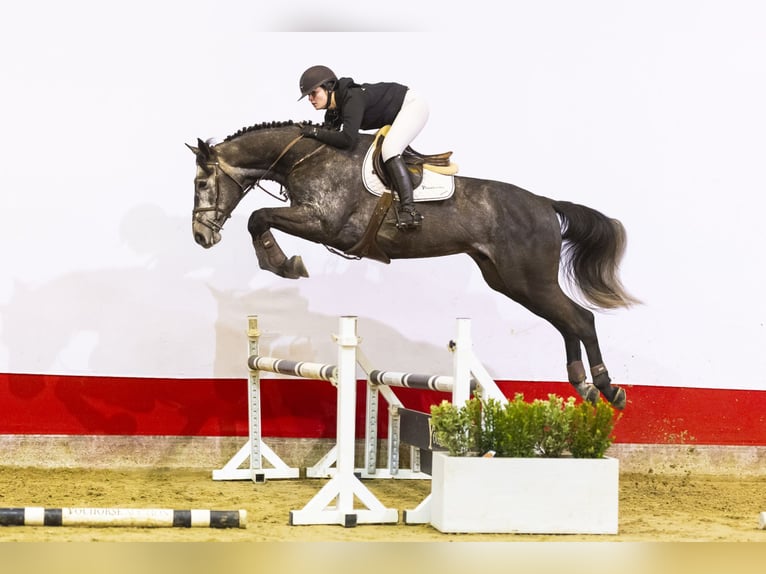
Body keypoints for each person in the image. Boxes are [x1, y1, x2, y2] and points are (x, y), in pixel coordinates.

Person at [297, 65, 428, 231]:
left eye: (313, 93)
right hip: (399, 112)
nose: (310, 99)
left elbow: (347, 140)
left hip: (412, 106)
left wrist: (315, 132)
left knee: (389, 149)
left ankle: (409, 210)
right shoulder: (333, 112)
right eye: (308, 95)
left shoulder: (353, 98)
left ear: (329, 88)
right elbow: (330, 143)